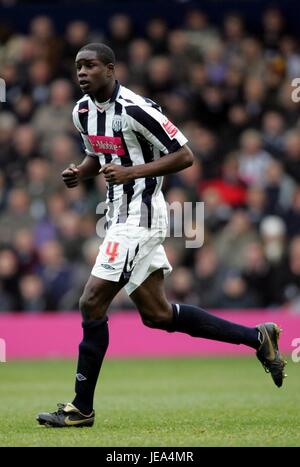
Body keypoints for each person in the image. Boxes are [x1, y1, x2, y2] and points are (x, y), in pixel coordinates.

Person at [37, 43, 286, 428]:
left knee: (91, 302)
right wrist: (79, 172)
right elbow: (98, 158)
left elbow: (185, 155)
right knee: (157, 315)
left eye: (90, 66)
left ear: (111, 69)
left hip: (141, 217)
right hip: (116, 216)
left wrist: (133, 174)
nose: (82, 73)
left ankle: (80, 408)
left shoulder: (137, 109)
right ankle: (258, 338)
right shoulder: (82, 111)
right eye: (77, 67)